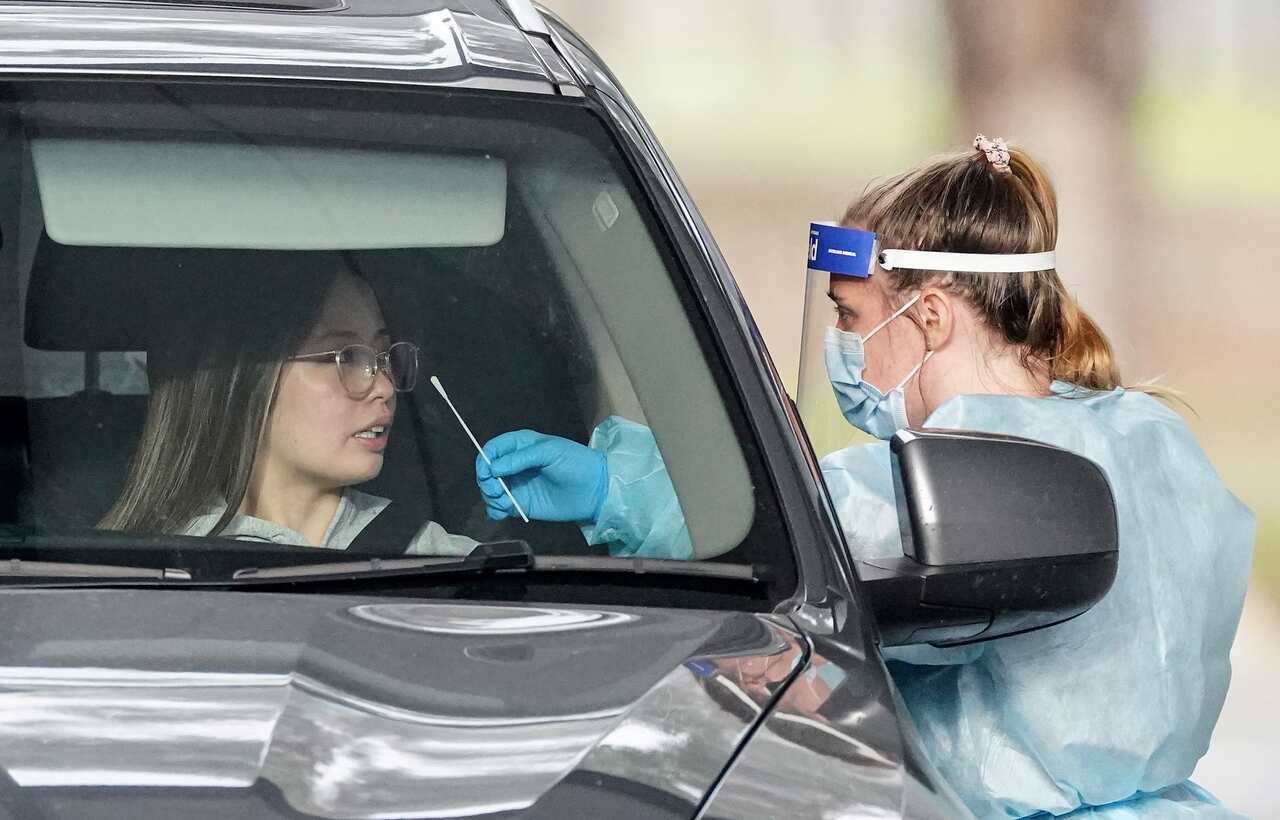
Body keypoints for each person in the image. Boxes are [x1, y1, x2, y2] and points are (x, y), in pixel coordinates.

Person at [475, 136, 1255, 818]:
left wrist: (619, 486)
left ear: (932, 317)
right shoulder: (1144, 437)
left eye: (849, 314)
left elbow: (789, 528)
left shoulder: (961, 471)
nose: (841, 343)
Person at [102, 260, 476, 554]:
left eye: (383, 355)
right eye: (344, 357)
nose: (384, 385)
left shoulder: (437, 561)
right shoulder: (137, 575)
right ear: (244, 382)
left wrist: (534, 537)